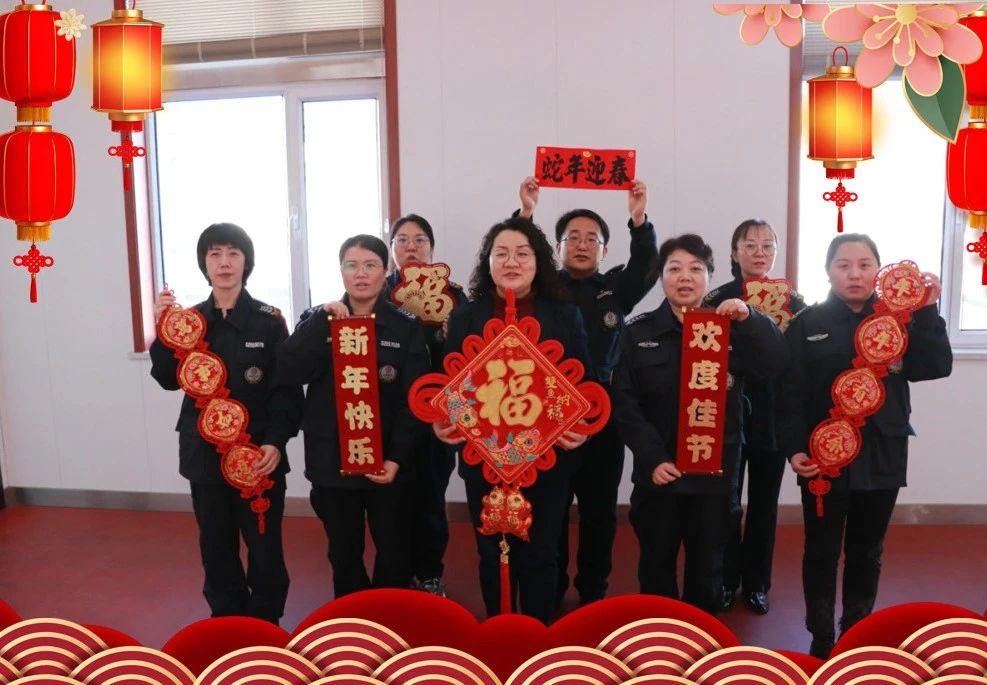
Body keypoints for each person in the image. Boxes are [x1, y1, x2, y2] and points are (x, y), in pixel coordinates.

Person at [779, 233, 951, 659]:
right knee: (821, 551)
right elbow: (788, 394)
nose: (854, 274)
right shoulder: (807, 324)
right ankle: (821, 637)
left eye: (864, 264)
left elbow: (936, 366)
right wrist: (794, 448)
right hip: (824, 456)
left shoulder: (899, 320)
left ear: (879, 270)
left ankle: (856, 634)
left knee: (867, 551)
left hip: (882, 451)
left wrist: (927, 308)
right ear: (828, 271)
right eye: (843, 265)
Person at [611, 233, 787, 615]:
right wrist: (652, 457)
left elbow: (774, 362)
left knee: (708, 574)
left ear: (709, 276)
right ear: (662, 277)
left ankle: (702, 644)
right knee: (656, 569)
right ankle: (659, 641)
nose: (685, 277)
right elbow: (624, 404)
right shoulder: (638, 332)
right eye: (674, 269)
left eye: (695, 269)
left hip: (714, 476)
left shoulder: (730, 326)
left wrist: (752, 319)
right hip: (660, 475)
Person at [433, 216, 592, 624]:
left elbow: (585, 386)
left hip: (547, 460)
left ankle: (538, 636)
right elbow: (450, 386)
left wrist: (578, 427)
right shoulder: (466, 317)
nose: (511, 262)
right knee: (490, 550)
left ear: (539, 262)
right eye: (501, 253)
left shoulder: (565, 316)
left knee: (542, 551)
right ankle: (498, 633)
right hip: (483, 459)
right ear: (487, 262)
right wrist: (444, 421)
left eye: (522, 254)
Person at [149, 222, 302, 625]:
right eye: (215, 254)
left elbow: (285, 391)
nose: (224, 262)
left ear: (246, 262)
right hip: (204, 454)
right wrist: (162, 328)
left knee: (264, 546)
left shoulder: (269, 321)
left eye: (233, 253)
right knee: (216, 546)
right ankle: (227, 622)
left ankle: (266, 622)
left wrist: (276, 442)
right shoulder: (188, 322)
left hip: (257, 454)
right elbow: (166, 378)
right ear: (204, 263)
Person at [518, 176, 659, 607]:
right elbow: (517, 254)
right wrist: (526, 214)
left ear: (604, 251)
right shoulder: (543, 289)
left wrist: (639, 219)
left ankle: (593, 589)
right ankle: (553, 585)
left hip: (603, 421)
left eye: (592, 239)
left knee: (599, 512)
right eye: (573, 238)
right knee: (552, 509)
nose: (582, 245)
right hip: (548, 421)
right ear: (557, 247)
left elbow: (646, 264)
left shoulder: (615, 290)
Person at [277, 234, 429, 599]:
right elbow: (288, 370)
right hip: (333, 462)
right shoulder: (318, 319)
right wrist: (320, 323)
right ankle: (352, 620)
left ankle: (388, 621)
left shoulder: (405, 326)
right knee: (344, 553)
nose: (361, 274)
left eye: (370, 265)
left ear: (386, 270)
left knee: (394, 551)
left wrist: (396, 458)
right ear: (341, 270)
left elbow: (416, 399)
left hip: (387, 463)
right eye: (352, 265)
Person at [704, 219, 806, 616]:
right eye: (750, 245)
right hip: (725, 413)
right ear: (734, 253)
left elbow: (798, 363)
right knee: (726, 501)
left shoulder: (793, 301)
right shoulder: (716, 298)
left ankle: (757, 583)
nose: (759, 252)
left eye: (767, 246)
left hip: (772, 415)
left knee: (765, 504)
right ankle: (726, 580)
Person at [386, 214, 468, 597]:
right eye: (402, 240)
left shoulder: (453, 295)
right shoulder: (379, 292)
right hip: (390, 415)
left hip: (438, 414)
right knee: (391, 498)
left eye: (420, 240)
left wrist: (454, 335)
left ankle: (430, 572)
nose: (411, 247)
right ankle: (396, 572)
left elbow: (470, 356)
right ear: (391, 250)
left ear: (432, 248)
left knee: (431, 495)